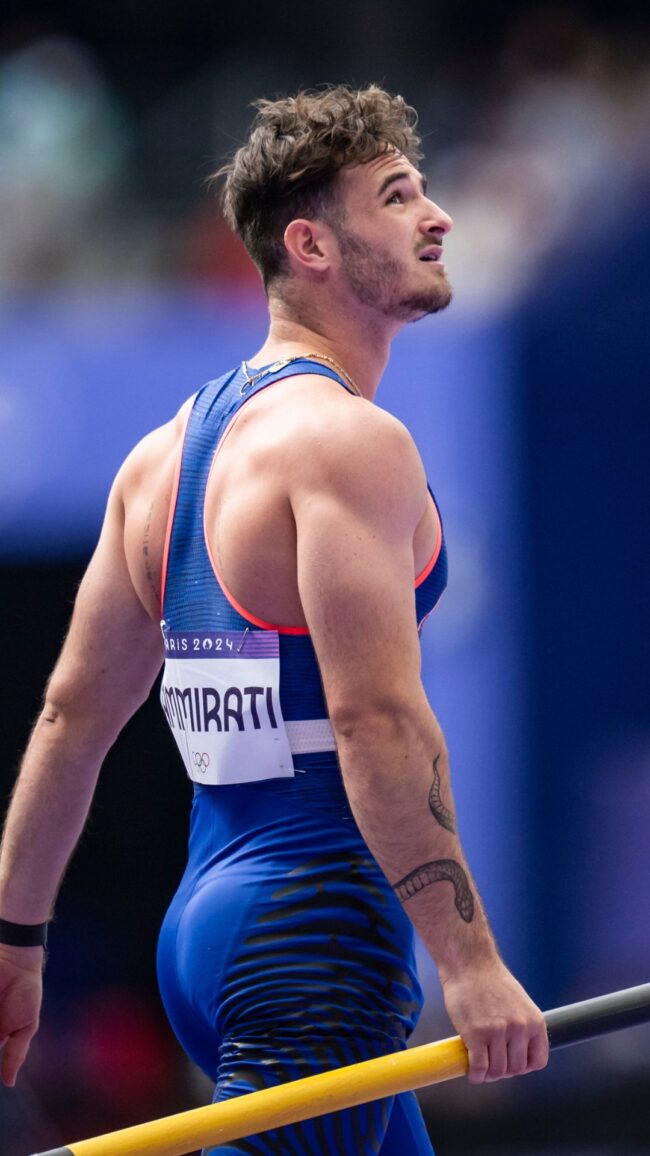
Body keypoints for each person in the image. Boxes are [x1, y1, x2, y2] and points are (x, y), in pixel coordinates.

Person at [0, 85, 549, 1154]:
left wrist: (15, 937)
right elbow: (375, 725)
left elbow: (72, 718)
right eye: (396, 198)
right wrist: (470, 964)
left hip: (214, 931)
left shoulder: (156, 461)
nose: (437, 217)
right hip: (311, 938)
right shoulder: (348, 444)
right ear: (311, 244)